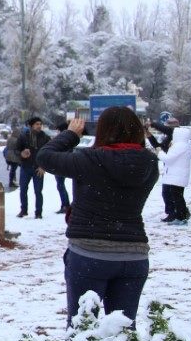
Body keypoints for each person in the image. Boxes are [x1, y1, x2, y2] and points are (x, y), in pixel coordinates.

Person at [36, 108, 159, 325]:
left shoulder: (90, 160)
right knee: (122, 333)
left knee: (82, 329)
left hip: (89, 253)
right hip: (134, 255)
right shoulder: (149, 163)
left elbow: (45, 157)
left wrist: (71, 134)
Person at [12, 117, 51, 218]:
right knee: (23, 190)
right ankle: (23, 210)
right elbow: (16, 150)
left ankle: (38, 213)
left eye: (40, 124)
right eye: (37, 124)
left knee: (38, 191)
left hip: (38, 168)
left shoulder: (45, 137)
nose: (39, 126)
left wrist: (44, 167)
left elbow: (50, 153)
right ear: (31, 125)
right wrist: (21, 153)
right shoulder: (24, 136)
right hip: (26, 167)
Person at [160, 120, 191, 226]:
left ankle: (181, 217)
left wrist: (159, 152)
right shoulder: (185, 145)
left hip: (176, 176)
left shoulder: (179, 145)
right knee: (177, 196)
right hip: (178, 175)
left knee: (176, 197)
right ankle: (180, 216)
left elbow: (168, 159)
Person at [51, 121, 73, 214]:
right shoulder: (70, 139)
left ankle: (65, 205)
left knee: (60, 185)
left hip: (60, 165)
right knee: (61, 185)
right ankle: (66, 205)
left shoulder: (62, 140)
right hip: (64, 164)